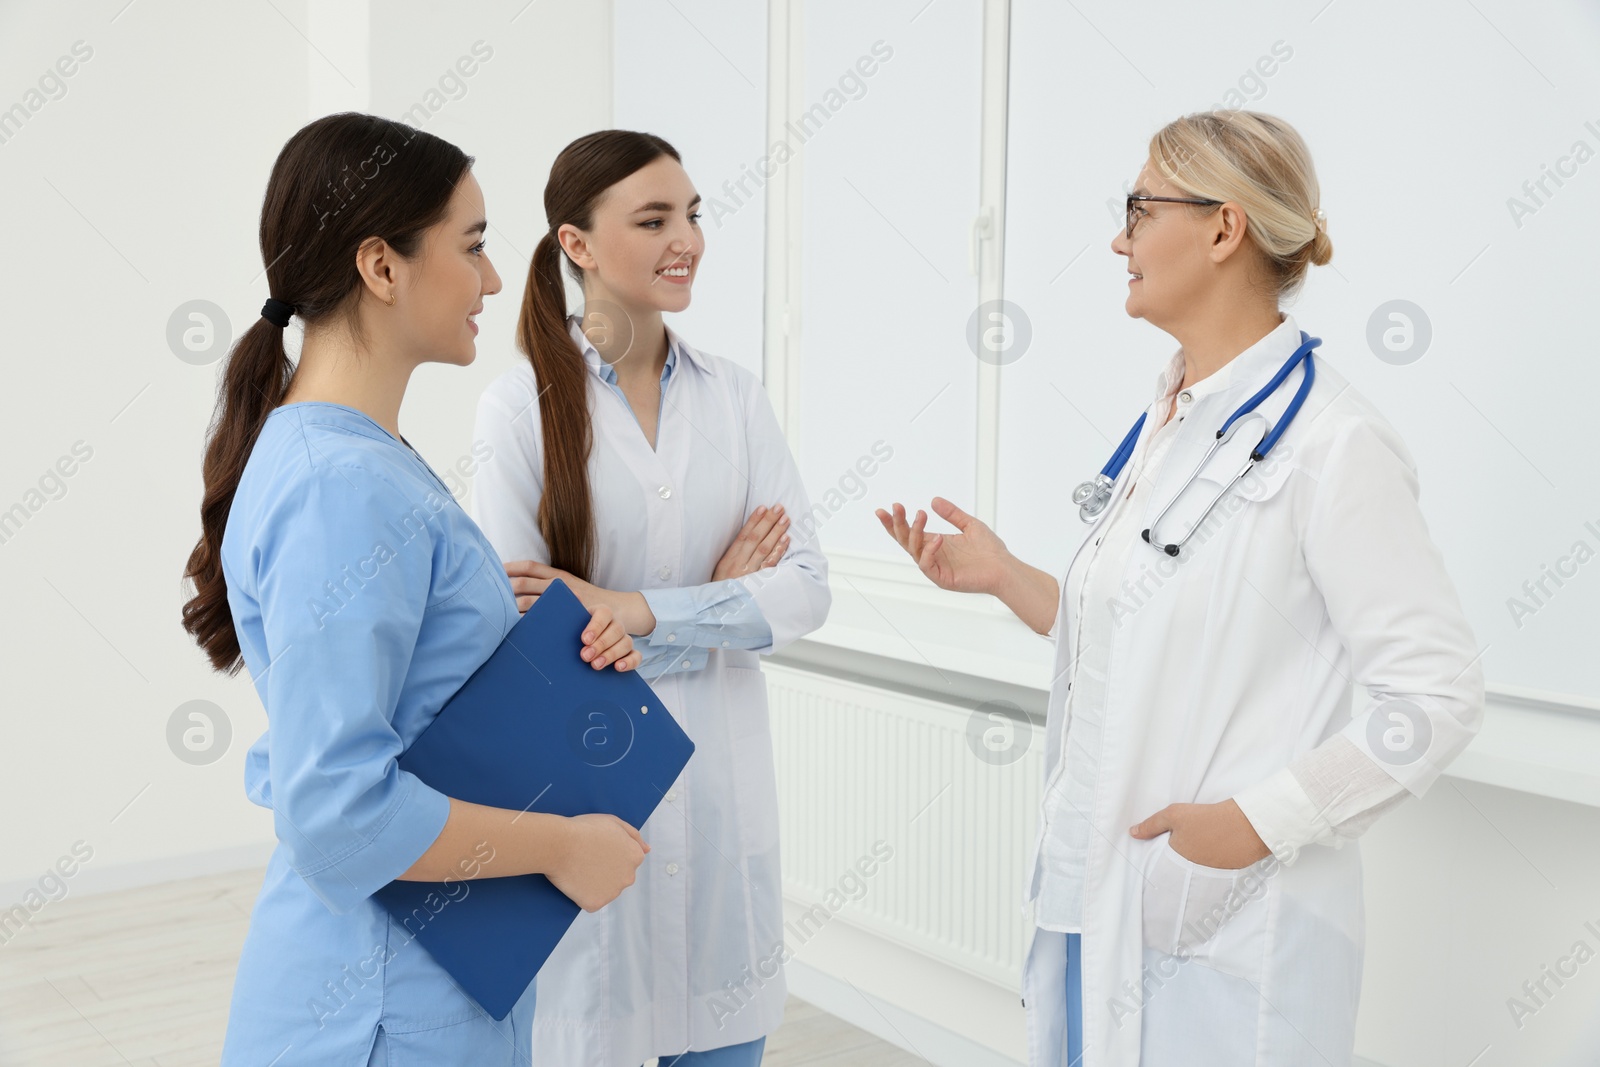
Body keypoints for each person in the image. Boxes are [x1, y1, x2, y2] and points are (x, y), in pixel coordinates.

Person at [876, 110, 1484, 1066]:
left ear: (1222, 228)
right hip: (1094, 900)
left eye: (1138, 208)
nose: (1119, 238)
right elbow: (1140, 639)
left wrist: (1251, 826)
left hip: (1222, 933)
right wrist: (1006, 578)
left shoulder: (1333, 443)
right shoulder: (1175, 418)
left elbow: (1436, 699)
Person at [180, 112, 651, 1066]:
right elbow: (342, 815)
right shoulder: (339, 486)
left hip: (425, 979)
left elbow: (418, 695)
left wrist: (567, 654)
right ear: (381, 267)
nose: (490, 280)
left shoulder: (361, 459)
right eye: (472, 246)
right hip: (375, 1006)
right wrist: (563, 846)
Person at [471, 129, 831, 1066]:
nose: (689, 239)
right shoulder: (519, 409)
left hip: (720, 821)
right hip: (588, 814)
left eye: (694, 214)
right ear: (577, 244)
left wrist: (634, 611)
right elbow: (529, 639)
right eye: (654, 218)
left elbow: (804, 588)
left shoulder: (737, 400)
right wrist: (716, 601)